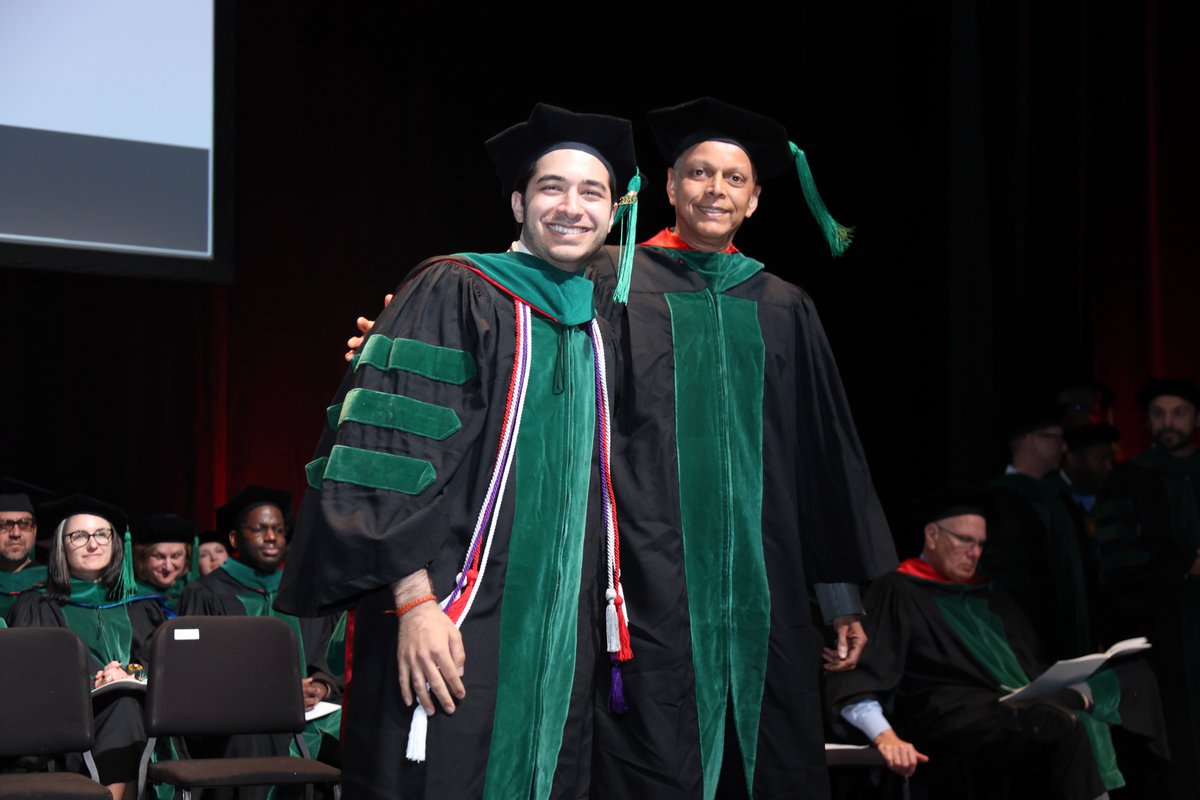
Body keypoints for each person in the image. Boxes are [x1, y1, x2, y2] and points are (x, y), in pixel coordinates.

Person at [277, 104, 640, 800]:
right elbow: (386, 447)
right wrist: (414, 605)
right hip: (450, 614)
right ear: (517, 202)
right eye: (551, 188)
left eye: (592, 192)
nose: (572, 207)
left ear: (613, 213)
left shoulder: (602, 321)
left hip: (554, 635)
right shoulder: (455, 288)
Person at [582, 97, 896, 799]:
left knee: (768, 758)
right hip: (646, 574)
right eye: (698, 173)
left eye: (733, 179)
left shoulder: (782, 305)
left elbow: (822, 460)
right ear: (669, 187)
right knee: (652, 755)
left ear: (755, 200)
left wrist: (839, 594)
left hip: (767, 580)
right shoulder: (613, 280)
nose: (714, 190)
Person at [826, 487, 1167, 799]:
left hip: (1021, 698)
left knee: (1136, 676)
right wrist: (885, 736)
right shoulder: (898, 589)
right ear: (932, 535)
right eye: (965, 541)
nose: (975, 554)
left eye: (981, 545)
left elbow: (1027, 661)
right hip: (955, 713)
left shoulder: (987, 593)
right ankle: (1068, 702)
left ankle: (1073, 697)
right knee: (1066, 724)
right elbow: (861, 675)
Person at [177, 484, 341, 799]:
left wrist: (320, 684)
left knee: (350, 723)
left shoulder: (306, 591)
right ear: (235, 539)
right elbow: (194, 670)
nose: (271, 537)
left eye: (279, 530)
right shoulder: (205, 593)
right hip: (236, 715)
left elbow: (330, 654)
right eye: (260, 529)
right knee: (253, 732)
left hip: (308, 711)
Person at [6, 494, 167, 800]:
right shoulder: (37, 604)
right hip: (67, 724)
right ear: (61, 545)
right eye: (79, 536)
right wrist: (98, 681)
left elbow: (159, 662)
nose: (93, 544)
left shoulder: (143, 605)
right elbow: (31, 678)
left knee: (126, 705)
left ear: (116, 542)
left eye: (102, 534)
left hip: (143, 714)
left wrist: (129, 675)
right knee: (123, 708)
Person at [1096, 377, 1200, 795]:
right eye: (1158, 414)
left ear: (1196, 418)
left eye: (1178, 412)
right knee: (1177, 737)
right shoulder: (1129, 480)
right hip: (1164, 629)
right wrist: (1184, 567)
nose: (1168, 422)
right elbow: (1120, 568)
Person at [984, 402, 1096, 661]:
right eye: (1057, 439)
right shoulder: (999, 499)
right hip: (1028, 644)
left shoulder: (1060, 498)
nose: (1065, 447)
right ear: (1031, 441)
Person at [0, 478, 49, 617]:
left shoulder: (53, 581)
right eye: (4, 525)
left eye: (24, 524)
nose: (15, 533)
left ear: (35, 531)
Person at [131, 513, 198, 611]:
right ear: (142, 558)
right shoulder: (131, 600)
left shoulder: (198, 594)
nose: (168, 567)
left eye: (176, 556)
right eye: (159, 557)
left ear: (187, 557)